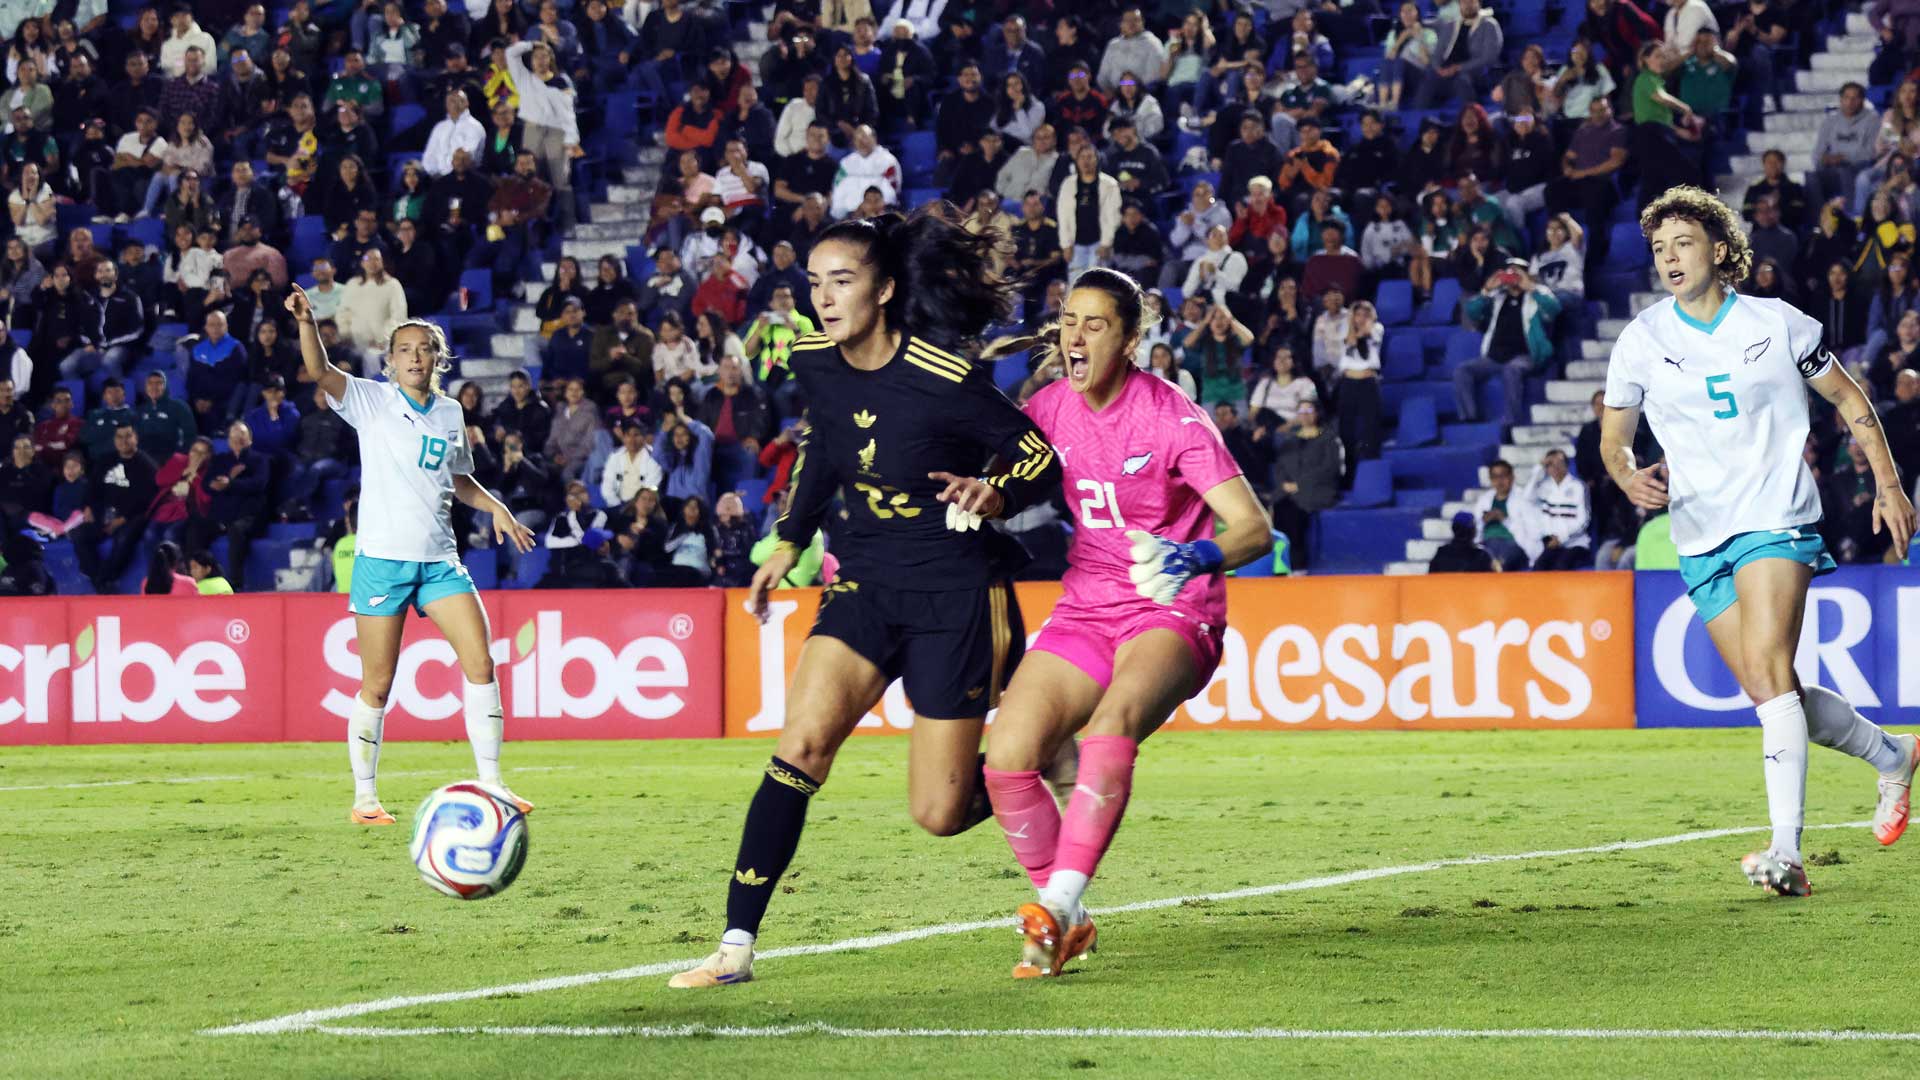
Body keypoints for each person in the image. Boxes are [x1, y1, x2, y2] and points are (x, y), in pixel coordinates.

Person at [668, 208, 1064, 990]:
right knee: (800, 747)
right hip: (864, 585)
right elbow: (826, 448)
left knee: (940, 813)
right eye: (814, 283)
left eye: (841, 281)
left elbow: (1039, 455)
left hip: (956, 592)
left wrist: (996, 491)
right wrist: (789, 540)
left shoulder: (944, 379)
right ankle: (735, 946)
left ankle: (1041, 765)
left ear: (883, 290)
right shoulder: (815, 359)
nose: (823, 297)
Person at [1600, 186, 1919, 898]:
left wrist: (1891, 485)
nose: (1669, 259)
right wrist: (1625, 476)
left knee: (1771, 672)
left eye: (1682, 243)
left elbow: (1850, 401)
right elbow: (1613, 438)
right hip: (1697, 532)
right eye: (1658, 249)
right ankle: (1894, 755)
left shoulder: (1779, 325)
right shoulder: (1642, 340)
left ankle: (1787, 853)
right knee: (1772, 689)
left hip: (1775, 515)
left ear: (1719, 248)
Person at [974, 267, 1268, 977]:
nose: (1076, 335)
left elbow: (1254, 529)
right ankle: (1064, 915)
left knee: (1110, 725)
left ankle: (1059, 907)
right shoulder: (1045, 408)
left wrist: (1193, 556)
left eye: (1095, 324)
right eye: (1069, 320)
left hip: (1173, 607)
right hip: (1086, 604)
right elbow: (1007, 485)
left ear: (1131, 340)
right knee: (1008, 757)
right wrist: (987, 495)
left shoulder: (1172, 417)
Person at [285, 284, 537, 826]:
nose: (415, 356)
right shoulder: (371, 401)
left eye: (424, 348)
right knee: (377, 683)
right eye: (405, 349)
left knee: (481, 661)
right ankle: (365, 799)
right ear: (391, 361)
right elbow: (320, 370)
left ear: (437, 358)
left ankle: (493, 784)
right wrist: (308, 323)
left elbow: (459, 478)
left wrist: (496, 508)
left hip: (439, 561)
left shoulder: (449, 413)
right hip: (382, 560)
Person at [1429, 511, 1499, 572]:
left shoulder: (1441, 553)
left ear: (1453, 529)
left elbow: (1430, 580)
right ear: (1473, 531)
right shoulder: (1482, 555)